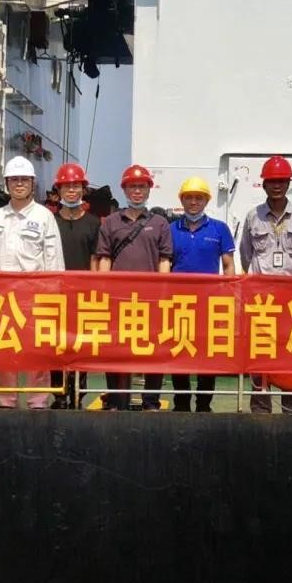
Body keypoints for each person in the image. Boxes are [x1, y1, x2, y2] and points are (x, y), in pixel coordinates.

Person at [238, 155, 292, 414]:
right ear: (263, 185)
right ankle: (261, 411)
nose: (277, 185)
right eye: (272, 181)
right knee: (261, 356)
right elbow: (246, 256)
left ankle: (291, 410)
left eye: (282, 181)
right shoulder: (253, 217)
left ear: (289, 183)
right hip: (263, 301)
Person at [95, 164, 173, 411]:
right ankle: (117, 400)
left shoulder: (160, 223)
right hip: (118, 301)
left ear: (149, 190)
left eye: (141, 186)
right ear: (124, 190)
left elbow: (164, 260)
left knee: (152, 350)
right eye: (132, 186)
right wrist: (104, 294)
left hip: (150, 301)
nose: (137, 191)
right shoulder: (110, 222)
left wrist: (162, 295)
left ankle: (150, 401)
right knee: (115, 350)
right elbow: (104, 258)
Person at [0, 156, 64, 409]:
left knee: (37, 352)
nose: (19, 184)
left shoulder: (44, 217)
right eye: (14, 180)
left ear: (33, 183)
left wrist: (53, 296)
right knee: (5, 350)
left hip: (36, 296)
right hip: (3, 297)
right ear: (7, 184)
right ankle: (6, 400)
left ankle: (37, 400)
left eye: (24, 180)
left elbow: (54, 259)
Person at [169, 176, 235, 412]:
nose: (194, 202)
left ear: (206, 201)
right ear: (182, 201)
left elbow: (228, 265)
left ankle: (204, 404)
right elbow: (164, 263)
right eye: (189, 198)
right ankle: (181, 403)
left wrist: (228, 298)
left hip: (209, 304)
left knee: (207, 356)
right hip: (178, 304)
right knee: (180, 354)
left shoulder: (219, 228)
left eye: (199, 198)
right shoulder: (171, 230)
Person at [49, 162, 100, 409]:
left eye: (76, 186)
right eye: (66, 186)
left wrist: (94, 290)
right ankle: (59, 395)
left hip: (83, 295)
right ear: (58, 190)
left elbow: (95, 258)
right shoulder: (50, 221)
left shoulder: (93, 223)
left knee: (81, 345)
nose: (71, 190)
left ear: (83, 189)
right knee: (55, 345)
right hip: (55, 294)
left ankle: (79, 393)